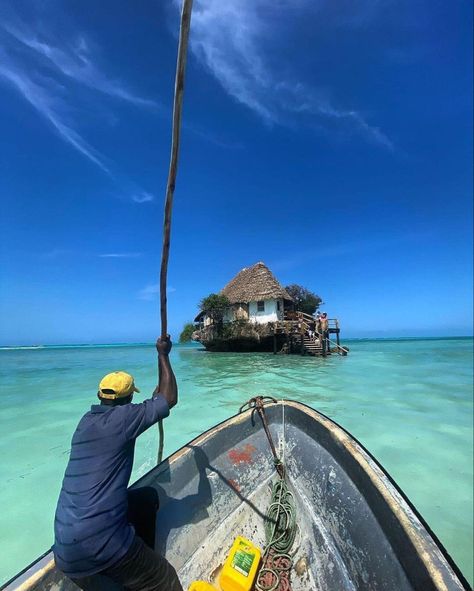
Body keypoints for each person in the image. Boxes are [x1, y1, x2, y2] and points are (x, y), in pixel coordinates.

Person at [53, 336, 183, 591]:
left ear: (100, 396)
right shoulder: (124, 419)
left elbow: (155, 400)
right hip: (100, 543)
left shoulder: (85, 422)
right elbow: (169, 398)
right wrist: (163, 354)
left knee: (146, 499)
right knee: (166, 578)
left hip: (65, 547)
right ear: (127, 399)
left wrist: (155, 396)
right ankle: (144, 575)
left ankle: (139, 560)